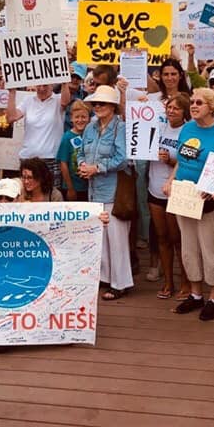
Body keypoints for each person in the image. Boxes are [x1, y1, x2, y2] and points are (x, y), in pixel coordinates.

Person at [164, 88, 214, 321]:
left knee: (209, 247)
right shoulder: (187, 128)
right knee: (189, 247)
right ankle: (195, 294)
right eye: (192, 102)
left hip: (209, 200)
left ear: (212, 108)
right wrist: (170, 180)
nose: (193, 106)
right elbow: (181, 161)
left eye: (199, 103)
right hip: (185, 196)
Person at [79, 84, 130, 300]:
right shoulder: (90, 128)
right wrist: (82, 165)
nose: (98, 106)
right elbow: (81, 152)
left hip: (114, 190)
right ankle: (106, 278)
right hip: (93, 190)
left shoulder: (121, 127)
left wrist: (97, 167)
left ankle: (121, 282)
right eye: (95, 103)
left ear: (113, 106)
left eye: (102, 103)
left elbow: (123, 158)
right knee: (101, 238)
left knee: (117, 238)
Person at [148, 94, 191, 300]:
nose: (171, 111)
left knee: (178, 239)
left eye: (176, 108)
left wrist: (170, 160)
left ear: (185, 112)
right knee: (162, 238)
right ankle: (168, 281)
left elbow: (189, 163)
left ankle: (185, 281)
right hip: (154, 189)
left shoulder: (187, 131)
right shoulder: (158, 127)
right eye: (169, 107)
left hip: (175, 190)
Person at [6, 82, 72, 189]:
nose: (41, 88)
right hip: (28, 158)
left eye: (45, 85)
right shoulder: (28, 100)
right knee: (28, 197)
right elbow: (11, 118)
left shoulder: (58, 99)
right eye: (38, 85)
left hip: (51, 159)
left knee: (51, 198)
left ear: (52, 85)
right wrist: (12, 93)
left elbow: (65, 102)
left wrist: (65, 81)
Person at [57, 100, 91, 200]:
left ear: (89, 118)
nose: (80, 120)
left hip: (90, 187)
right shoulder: (67, 137)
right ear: (71, 118)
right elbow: (63, 164)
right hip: (73, 187)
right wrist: (70, 189)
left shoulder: (91, 135)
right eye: (77, 117)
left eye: (84, 117)